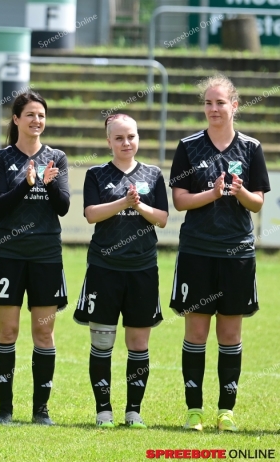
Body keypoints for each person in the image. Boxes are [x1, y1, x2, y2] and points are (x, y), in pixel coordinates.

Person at [169, 75, 270, 432]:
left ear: (235, 106)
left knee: (230, 335)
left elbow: (257, 204)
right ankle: (193, 411)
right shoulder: (189, 146)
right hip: (198, 252)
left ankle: (226, 411)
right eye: (208, 103)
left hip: (237, 254)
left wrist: (240, 193)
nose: (214, 109)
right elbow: (179, 201)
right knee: (196, 333)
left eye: (220, 103)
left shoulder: (251, 148)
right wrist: (210, 195)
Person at [73, 114, 168, 429]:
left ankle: (133, 412)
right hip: (105, 269)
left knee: (138, 344)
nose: (126, 143)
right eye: (119, 138)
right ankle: (103, 411)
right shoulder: (97, 174)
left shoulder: (153, 175)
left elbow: (163, 218)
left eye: (132, 136)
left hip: (142, 270)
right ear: (109, 141)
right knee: (102, 343)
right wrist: (123, 202)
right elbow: (90, 214)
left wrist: (138, 206)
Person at [0, 91, 70, 425]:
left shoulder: (57, 158)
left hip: (46, 257)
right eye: (31, 115)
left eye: (42, 115)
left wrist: (48, 185)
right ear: (16, 119)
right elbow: (0, 206)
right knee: (7, 332)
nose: (37, 121)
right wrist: (26, 183)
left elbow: (62, 206)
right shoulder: (2, 158)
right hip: (9, 255)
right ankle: (4, 410)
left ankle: (41, 411)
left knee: (44, 334)